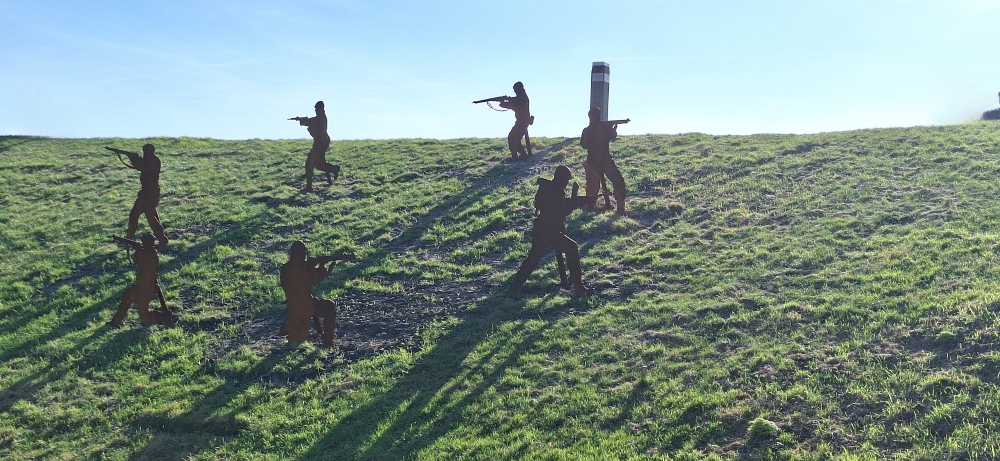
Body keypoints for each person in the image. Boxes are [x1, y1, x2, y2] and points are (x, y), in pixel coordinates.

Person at [506, 166, 597, 298]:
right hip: (548, 230)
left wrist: (581, 200)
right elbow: (561, 211)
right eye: (566, 179)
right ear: (561, 178)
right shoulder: (557, 191)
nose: (567, 182)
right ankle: (579, 288)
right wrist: (575, 203)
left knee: (533, 258)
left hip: (542, 229)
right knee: (571, 248)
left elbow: (559, 205)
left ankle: (514, 288)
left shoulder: (549, 188)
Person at [279, 241, 355, 347]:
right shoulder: (289, 269)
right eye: (301, 254)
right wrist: (321, 269)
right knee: (298, 341)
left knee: (329, 306)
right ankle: (326, 342)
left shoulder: (297, 267)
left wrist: (318, 268)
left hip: (306, 303)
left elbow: (311, 279)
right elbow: (308, 281)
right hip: (299, 307)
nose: (303, 256)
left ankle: (328, 342)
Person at [109, 233, 174, 327]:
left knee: (144, 317)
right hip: (143, 285)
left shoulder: (149, 253)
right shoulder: (150, 251)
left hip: (147, 287)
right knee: (127, 297)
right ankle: (116, 322)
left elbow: (136, 261)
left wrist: (138, 251)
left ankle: (162, 316)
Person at [116, 143, 168, 246]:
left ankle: (162, 238)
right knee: (136, 216)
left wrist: (132, 157)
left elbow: (140, 165)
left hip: (150, 194)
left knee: (150, 217)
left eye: (145, 151)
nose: (144, 153)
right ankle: (129, 238)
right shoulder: (150, 160)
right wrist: (132, 157)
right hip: (145, 193)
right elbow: (141, 164)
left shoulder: (153, 161)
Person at [580, 106, 627, 214]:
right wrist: (612, 130)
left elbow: (584, 145)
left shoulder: (587, 130)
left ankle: (592, 208)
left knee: (615, 181)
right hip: (602, 160)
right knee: (614, 182)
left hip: (595, 161)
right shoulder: (594, 129)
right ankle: (618, 208)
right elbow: (612, 136)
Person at [294, 101, 341, 192]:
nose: (315, 110)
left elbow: (312, 122)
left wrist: (303, 120)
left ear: (320, 108)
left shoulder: (321, 118)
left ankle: (309, 186)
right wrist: (301, 120)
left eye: (316, 109)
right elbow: (311, 122)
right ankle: (331, 175)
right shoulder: (320, 117)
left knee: (310, 164)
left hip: (321, 142)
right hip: (321, 142)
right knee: (319, 164)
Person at [500, 82, 532, 160]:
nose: (515, 92)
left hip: (522, 122)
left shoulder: (522, 98)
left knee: (513, 138)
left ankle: (521, 156)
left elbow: (515, 102)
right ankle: (519, 155)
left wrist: (505, 101)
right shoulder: (521, 98)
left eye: (516, 90)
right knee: (513, 138)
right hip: (521, 121)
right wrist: (504, 102)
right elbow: (511, 104)